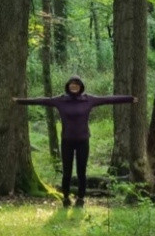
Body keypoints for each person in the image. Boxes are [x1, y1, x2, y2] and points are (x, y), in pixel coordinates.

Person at [12, 75, 137, 207]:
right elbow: (41, 100)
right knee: (67, 171)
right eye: (72, 84)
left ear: (81, 86)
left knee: (81, 171)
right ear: (68, 86)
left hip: (83, 141)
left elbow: (109, 99)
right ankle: (66, 198)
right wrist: (19, 101)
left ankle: (81, 198)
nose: (74, 86)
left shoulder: (88, 100)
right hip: (67, 141)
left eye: (76, 84)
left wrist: (130, 99)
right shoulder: (61, 100)